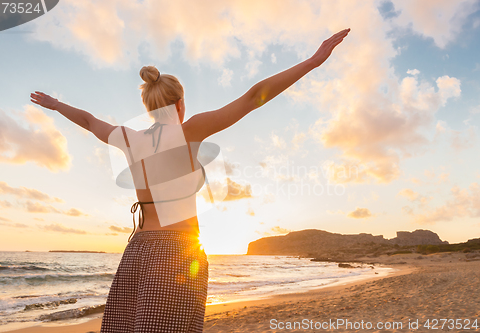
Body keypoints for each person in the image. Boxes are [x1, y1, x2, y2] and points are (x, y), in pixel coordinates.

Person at [30, 27, 350, 333]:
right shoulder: (190, 131)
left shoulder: (128, 138)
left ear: (149, 107)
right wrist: (312, 62)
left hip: (135, 253)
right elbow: (254, 97)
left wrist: (56, 105)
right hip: (177, 253)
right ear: (180, 104)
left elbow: (88, 120)